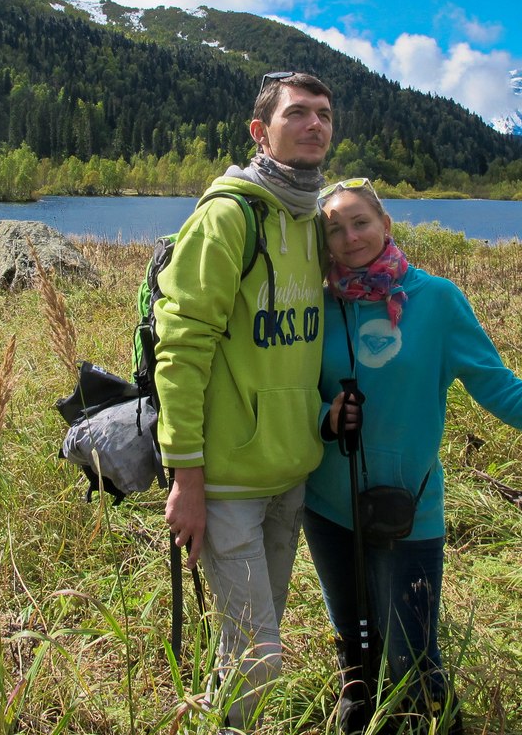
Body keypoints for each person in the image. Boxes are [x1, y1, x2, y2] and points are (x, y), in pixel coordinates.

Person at [305, 177, 522, 734]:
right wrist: (323, 416)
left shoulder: (437, 301)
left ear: (385, 224)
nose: (350, 237)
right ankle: (359, 714)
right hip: (328, 507)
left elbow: (500, 389)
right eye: (335, 229)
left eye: (360, 222)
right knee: (355, 651)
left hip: (409, 512)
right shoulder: (316, 304)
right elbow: (289, 392)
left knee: (414, 663)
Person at [156, 71, 335, 730]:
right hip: (227, 480)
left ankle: (214, 719)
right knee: (261, 658)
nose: (314, 124)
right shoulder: (230, 216)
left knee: (248, 645)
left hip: (291, 471)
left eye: (324, 114)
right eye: (298, 113)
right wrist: (187, 478)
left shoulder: (316, 221)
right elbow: (181, 348)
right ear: (261, 131)